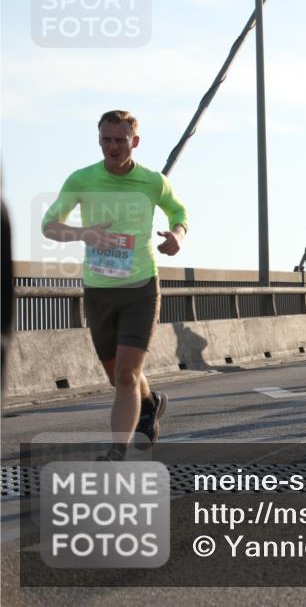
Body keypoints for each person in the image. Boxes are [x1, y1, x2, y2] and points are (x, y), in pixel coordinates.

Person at [42, 110, 188, 460]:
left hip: (141, 288)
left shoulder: (153, 182)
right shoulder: (82, 179)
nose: (112, 147)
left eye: (120, 140)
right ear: (99, 140)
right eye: (106, 140)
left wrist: (177, 235)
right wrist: (84, 233)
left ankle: (117, 451)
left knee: (126, 374)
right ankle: (150, 403)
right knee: (118, 376)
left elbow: (179, 212)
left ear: (134, 141)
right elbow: (49, 225)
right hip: (98, 291)